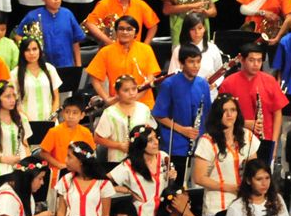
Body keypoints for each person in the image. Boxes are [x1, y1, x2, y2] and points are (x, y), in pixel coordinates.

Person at [193, 94, 259, 216]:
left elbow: (255, 169)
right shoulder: (207, 141)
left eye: (233, 110)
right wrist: (231, 188)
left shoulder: (247, 135)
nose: (229, 115)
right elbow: (199, 178)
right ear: (217, 114)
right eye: (224, 111)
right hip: (218, 205)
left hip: (245, 201)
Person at [152, 43, 213, 185]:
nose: (196, 66)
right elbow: (159, 114)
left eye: (198, 61)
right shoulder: (169, 84)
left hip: (199, 143)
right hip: (175, 145)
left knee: (197, 186)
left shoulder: (202, 84)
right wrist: (183, 130)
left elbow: (208, 113)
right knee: (176, 186)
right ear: (181, 63)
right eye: (191, 62)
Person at [218, 42, 287, 163]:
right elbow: (220, 115)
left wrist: (274, 143)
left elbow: (277, 113)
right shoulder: (228, 83)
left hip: (265, 140)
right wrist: (244, 123)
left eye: (259, 60)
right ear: (242, 60)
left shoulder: (270, 81)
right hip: (236, 140)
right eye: (251, 60)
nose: (256, 64)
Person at [108, 125, 177, 216]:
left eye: (155, 137)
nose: (156, 142)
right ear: (140, 144)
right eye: (150, 140)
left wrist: (173, 175)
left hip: (163, 212)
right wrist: (126, 190)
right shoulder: (128, 166)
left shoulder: (163, 156)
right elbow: (100, 183)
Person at [87, 16, 162, 109]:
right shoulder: (106, 52)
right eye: (121, 29)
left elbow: (151, 76)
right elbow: (94, 77)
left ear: (136, 32)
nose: (125, 32)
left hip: (144, 104)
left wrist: (135, 97)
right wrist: (107, 99)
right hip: (118, 104)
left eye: (129, 29)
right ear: (116, 31)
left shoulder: (146, 49)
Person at [42, 101, 98, 210]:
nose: (70, 116)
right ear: (63, 113)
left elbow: (91, 154)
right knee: (56, 208)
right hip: (57, 174)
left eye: (75, 113)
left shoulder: (85, 132)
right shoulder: (54, 131)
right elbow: (43, 152)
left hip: (80, 175)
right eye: (67, 112)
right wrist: (59, 164)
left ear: (82, 115)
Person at [16, 0, 86, 68]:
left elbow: (75, 41)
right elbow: (18, 36)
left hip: (66, 64)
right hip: (43, 66)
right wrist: (30, 53)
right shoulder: (33, 16)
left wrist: (78, 65)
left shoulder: (67, 14)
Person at [84, 0, 159, 45]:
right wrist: (107, 41)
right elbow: (90, 24)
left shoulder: (140, 4)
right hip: (110, 51)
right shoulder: (105, 4)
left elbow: (153, 25)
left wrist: (145, 45)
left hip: (133, 51)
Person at [94, 76, 155, 164]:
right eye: (126, 90)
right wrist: (119, 146)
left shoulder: (144, 109)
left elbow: (151, 132)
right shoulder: (110, 113)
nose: (131, 93)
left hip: (141, 160)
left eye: (134, 89)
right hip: (117, 161)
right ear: (117, 93)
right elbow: (97, 138)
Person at [166, 14, 224, 88]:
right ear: (187, 30)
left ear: (204, 28)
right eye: (192, 29)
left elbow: (220, 72)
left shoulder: (213, 48)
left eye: (200, 28)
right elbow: (172, 76)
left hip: (210, 94)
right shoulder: (179, 50)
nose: (197, 32)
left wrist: (214, 84)